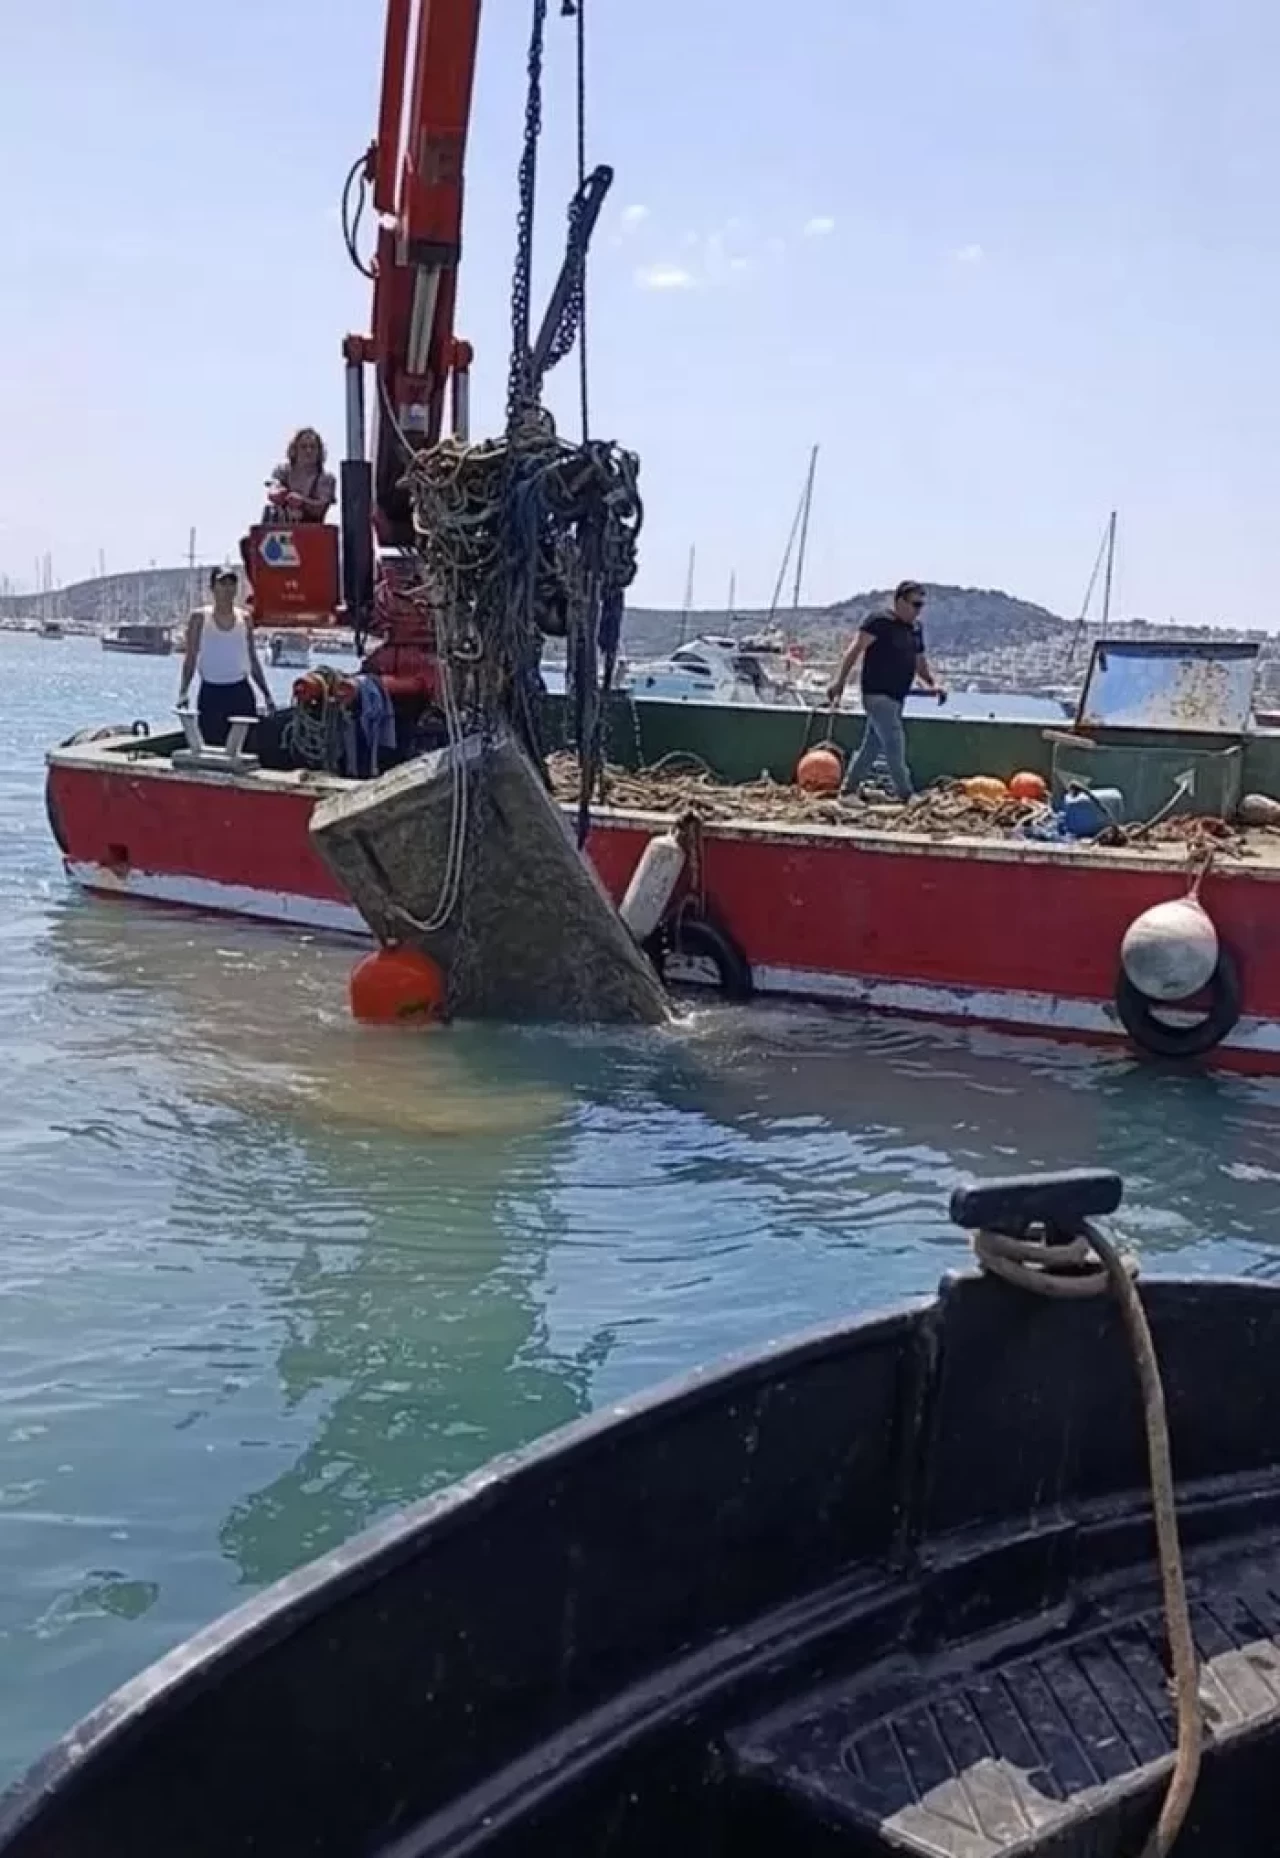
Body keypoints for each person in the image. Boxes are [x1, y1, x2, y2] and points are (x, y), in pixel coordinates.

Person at [825, 580, 946, 801]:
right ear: (899, 601)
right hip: (877, 694)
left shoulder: (915, 629)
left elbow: (919, 661)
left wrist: (933, 684)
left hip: (897, 697)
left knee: (871, 747)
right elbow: (854, 651)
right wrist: (839, 682)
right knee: (894, 743)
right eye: (914, 604)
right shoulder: (879, 622)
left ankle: (849, 791)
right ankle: (906, 795)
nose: (918, 610)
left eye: (921, 605)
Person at [178, 568, 276, 747]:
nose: (228, 588)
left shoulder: (244, 618)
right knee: (212, 746)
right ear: (213, 588)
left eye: (232, 583)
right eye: (222, 583)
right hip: (211, 692)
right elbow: (190, 658)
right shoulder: (200, 618)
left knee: (247, 747)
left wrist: (267, 695)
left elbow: (252, 659)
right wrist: (183, 692)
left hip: (240, 691)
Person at [263, 427, 336, 524]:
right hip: (281, 534)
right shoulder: (283, 471)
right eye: (303, 447)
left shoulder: (326, 478)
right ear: (294, 450)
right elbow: (273, 486)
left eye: (313, 447)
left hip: (312, 534)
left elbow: (321, 508)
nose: (308, 451)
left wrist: (302, 502)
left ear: (319, 452)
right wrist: (277, 492)